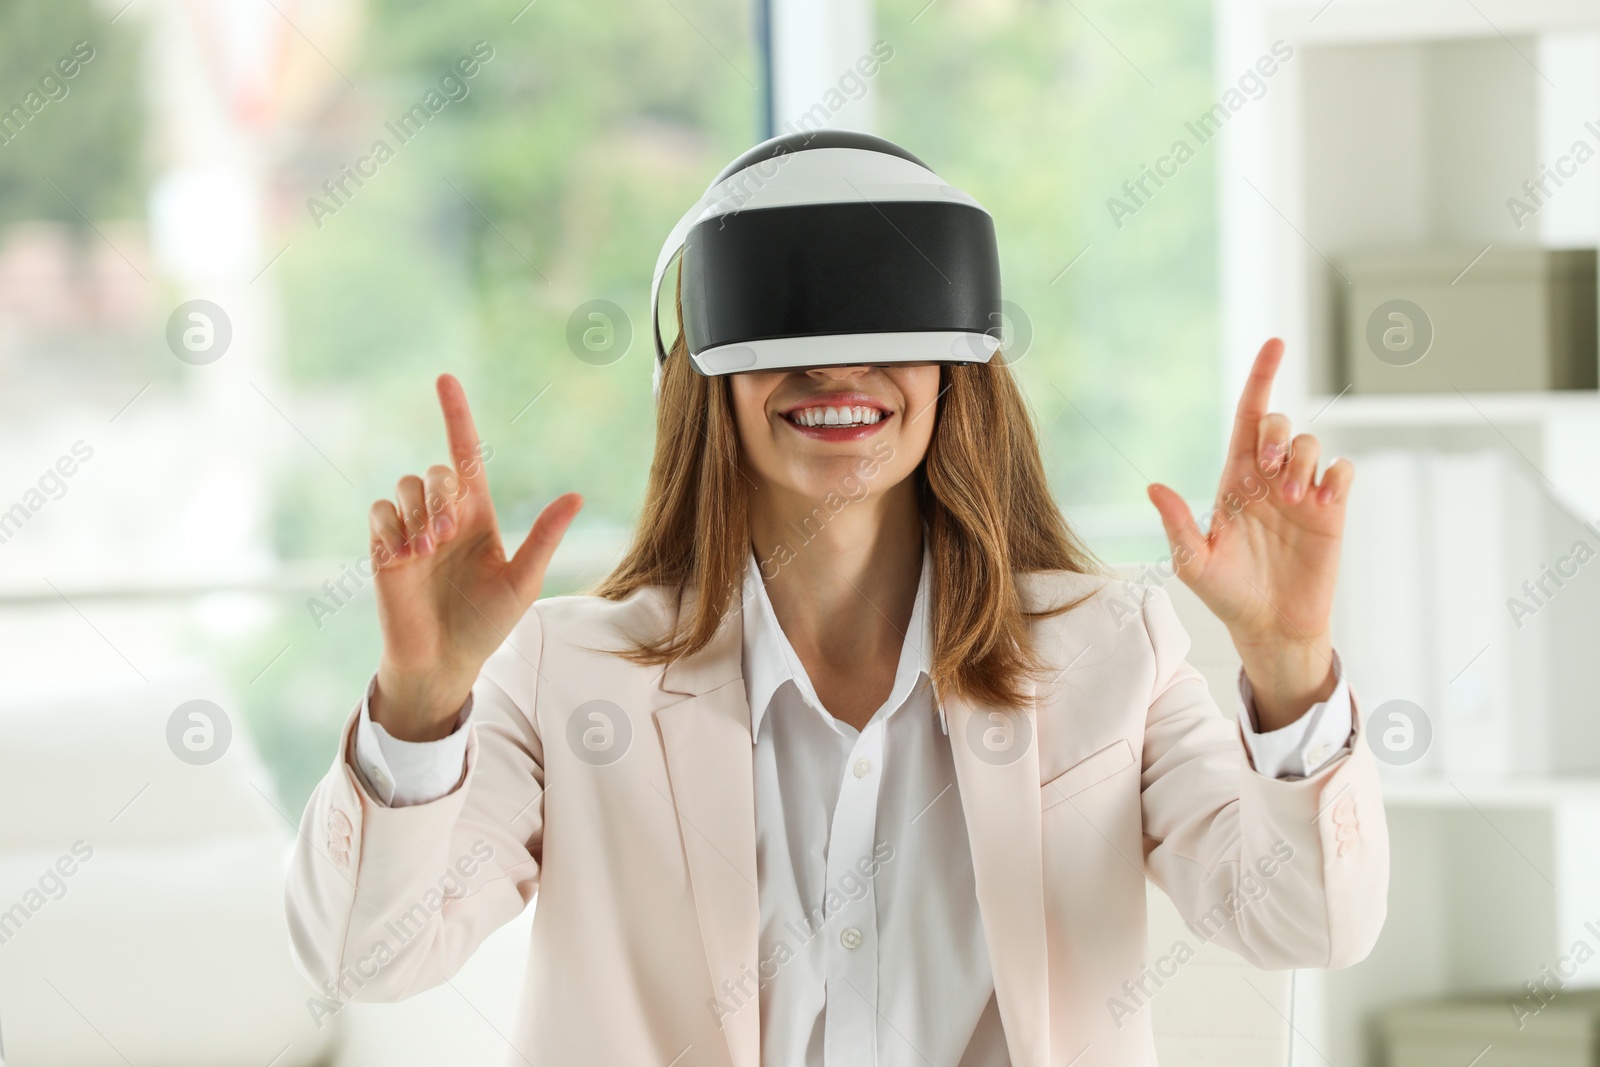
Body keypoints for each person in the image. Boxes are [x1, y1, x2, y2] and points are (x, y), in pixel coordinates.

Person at [285, 170, 1387, 1067]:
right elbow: (368, 956)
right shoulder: (571, 671)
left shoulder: (1110, 647)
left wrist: (1288, 665)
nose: (833, 366)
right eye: (782, 326)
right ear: (703, 373)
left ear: (960, 368)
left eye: (886, 318)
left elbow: (1305, 923)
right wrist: (422, 703)